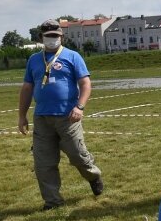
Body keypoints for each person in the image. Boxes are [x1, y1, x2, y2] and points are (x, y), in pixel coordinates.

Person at [18, 19, 103, 210]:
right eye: (48, 36)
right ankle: (52, 201)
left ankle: (93, 175)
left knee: (78, 156)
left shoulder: (73, 57)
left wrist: (79, 107)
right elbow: (27, 87)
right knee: (43, 163)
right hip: (42, 118)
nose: (52, 40)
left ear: (62, 37)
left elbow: (85, 84)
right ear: (41, 37)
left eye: (56, 36)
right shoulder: (33, 60)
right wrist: (21, 115)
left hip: (68, 117)